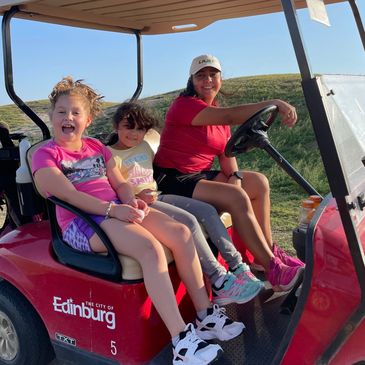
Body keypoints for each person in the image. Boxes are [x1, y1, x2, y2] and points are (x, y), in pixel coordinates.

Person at [31, 77, 245, 365]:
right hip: (82, 223)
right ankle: (181, 341)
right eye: (61, 112)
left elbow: (119, 182)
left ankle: (206, 315)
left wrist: (130, 199)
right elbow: (67, 194)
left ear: (88, 120)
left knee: (181, 233)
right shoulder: (45, 154)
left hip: (115, 210)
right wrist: (112, 209)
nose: (68, 118)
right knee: (150, 249)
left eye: (75, 112)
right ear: (51, 116)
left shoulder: (97, 148)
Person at [153, 54, 305, 292]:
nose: (208, 80)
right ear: (191, 80)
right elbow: (230, 116)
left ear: (220, 78)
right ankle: (273, 269)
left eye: (213, 75)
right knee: (236, 197)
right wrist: (275, 102)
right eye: (201, 76)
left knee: (258, 183)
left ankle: (266, 254)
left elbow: (226, 153)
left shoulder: (215, 113)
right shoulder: (184, 106)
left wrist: (235, 177)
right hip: (172, 179)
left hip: (198, 175)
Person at [107, 101, 264, 306]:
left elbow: (166, 161)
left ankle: (237, 266)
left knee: (207, 211)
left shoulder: (145, 146)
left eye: (140, 129)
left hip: (158, 195)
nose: (134, 134)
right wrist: (136, 199)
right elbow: (112, 188)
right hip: (140, 205)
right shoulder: (109, 154)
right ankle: (218, 280)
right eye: (129, 127)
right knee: (189, 222)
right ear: (117, 126)